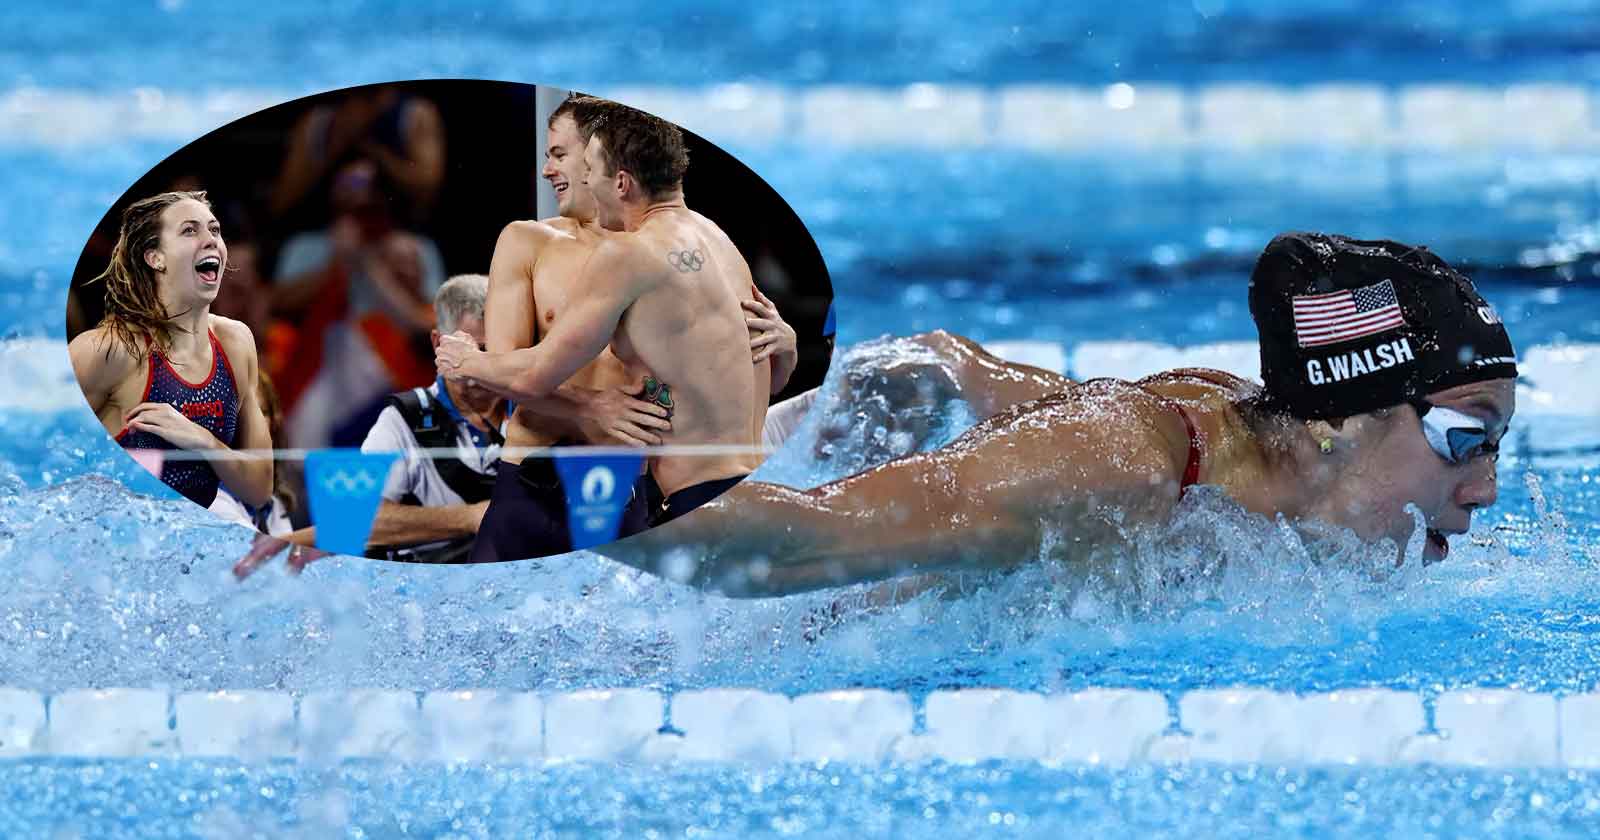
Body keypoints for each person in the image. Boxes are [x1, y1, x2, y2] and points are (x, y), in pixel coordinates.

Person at [602, 232, 1517, 597]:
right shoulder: (1122, 469)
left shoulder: (1237, 448)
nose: (1484, 487)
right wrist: (559, 481)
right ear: (1339, 420)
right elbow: (776, 554)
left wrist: (944, 372)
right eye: (1464, 439)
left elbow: (1003, 385)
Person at [447, 95, 794, 562]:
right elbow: (743, 375)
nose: (550, 170)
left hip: (658, 495)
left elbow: (529, 374)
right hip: (545, 483)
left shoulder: (631, 255)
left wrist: (467, 360)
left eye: (566, 156)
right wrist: (588, 408)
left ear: (616, 176)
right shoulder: (713, 239)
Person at [233, 275, 505, 577]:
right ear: (438, 343)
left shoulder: (532, 411)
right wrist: (470, 517)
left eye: (491, 349)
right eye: (470, 348)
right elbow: (357, 521)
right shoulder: (403, 418)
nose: (480, 362)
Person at [68, 191, 274, 511]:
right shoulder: (111, 349)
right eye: (190, 230)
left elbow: (260, 489)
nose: (210, 240)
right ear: (155, 257)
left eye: (215, 230)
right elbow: (29, 450)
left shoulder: (236, 342)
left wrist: (202, 440)